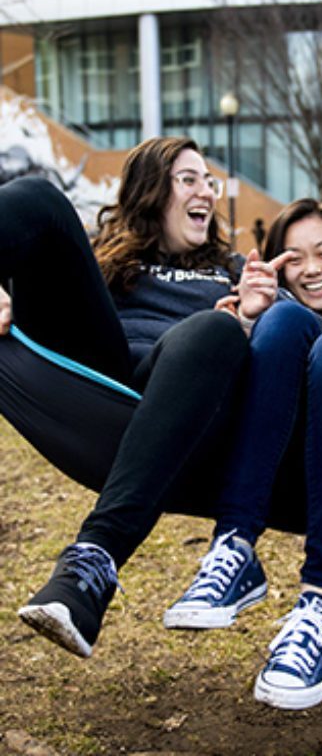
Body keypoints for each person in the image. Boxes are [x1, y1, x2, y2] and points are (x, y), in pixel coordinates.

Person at [3, 136, 275, 658]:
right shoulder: (106, 259)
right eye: (188, 179)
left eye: (209, 181)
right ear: (152, 191)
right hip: (98, 365)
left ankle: (93, 561)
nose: (207, 192)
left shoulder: (239, 271)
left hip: (183, 388)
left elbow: (303, 334)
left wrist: (250, 315)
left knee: (212, 330)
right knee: (40, 198)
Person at [161, 198, 322, 711]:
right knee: (283, 322)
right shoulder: (275, 322)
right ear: (276, 265)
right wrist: (251, 319)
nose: (312, 268)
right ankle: (234, 548)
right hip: (284, 457)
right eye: (293, 258)